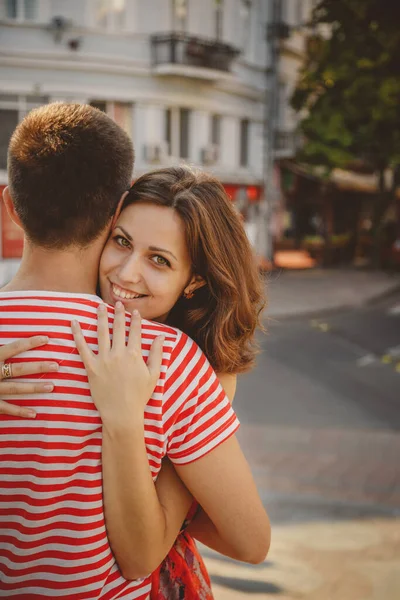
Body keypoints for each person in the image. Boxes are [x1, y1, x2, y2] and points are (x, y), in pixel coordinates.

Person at [0, 104, 270, 599]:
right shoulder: (176, 363)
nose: (126, 275)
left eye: (159, 261)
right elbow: (249, 541)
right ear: (113, 212)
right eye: (123, 241)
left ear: (11, 206)